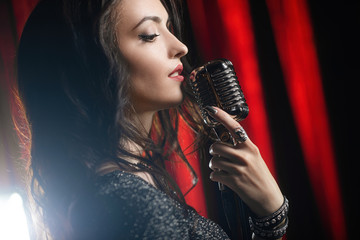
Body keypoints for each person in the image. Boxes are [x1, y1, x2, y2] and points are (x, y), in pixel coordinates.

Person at [14, 0, 288, 239]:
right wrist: (273, 218)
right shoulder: (127, 202)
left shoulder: (125, 187)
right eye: (149, 34)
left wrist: (268, 220)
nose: (180, 47)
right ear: (90, 62)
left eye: (169, 28)